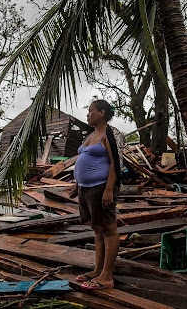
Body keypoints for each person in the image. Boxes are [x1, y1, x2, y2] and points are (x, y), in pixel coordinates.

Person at [72, 99, 121, 290]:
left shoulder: (111, 133)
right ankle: (98, 270)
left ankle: (107, 276)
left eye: (90, 111)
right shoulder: (92, 134)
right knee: (97, 228)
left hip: (101, 187)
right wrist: (78, 186)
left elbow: (116, 163)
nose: (88, 114)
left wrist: (109, 189)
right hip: (86, 188)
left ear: (101, 112)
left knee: (109, 229)